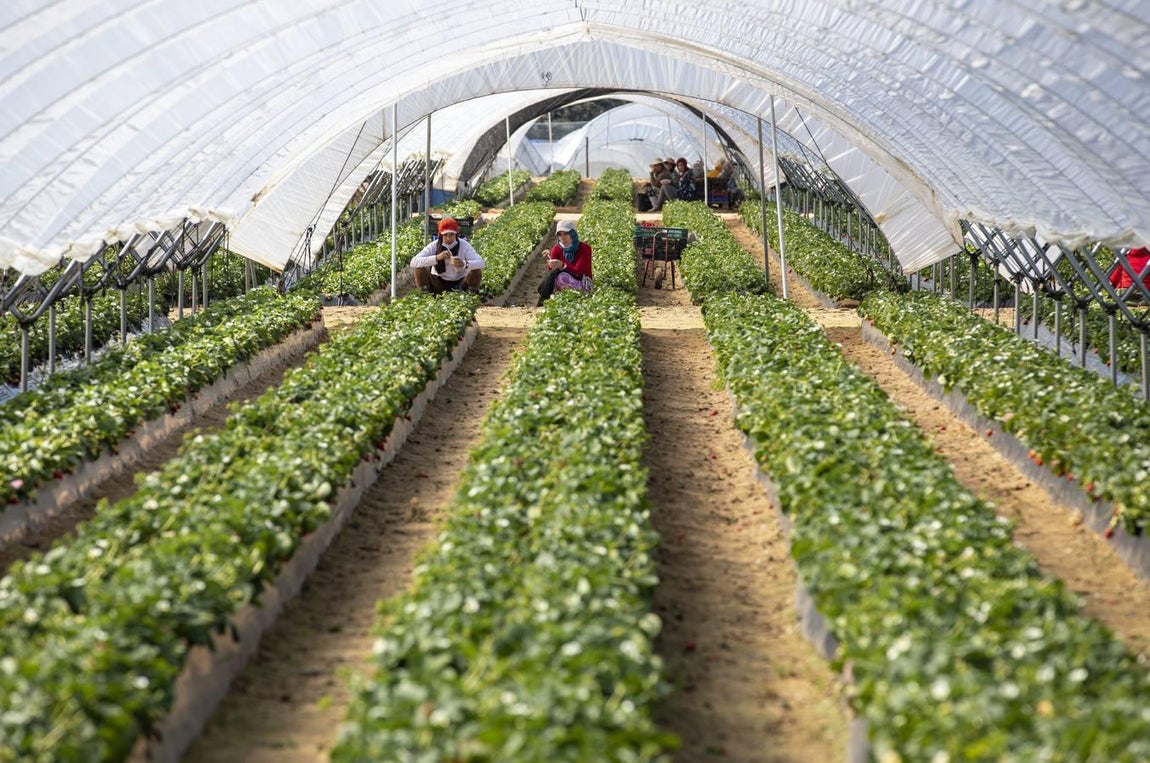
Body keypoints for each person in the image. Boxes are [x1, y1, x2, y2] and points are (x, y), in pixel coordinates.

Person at [410, 217, 485, 295]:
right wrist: (436, 258)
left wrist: (464, 264)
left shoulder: (464, 245)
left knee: (476, 271)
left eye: (451, 234)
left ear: (456, 234)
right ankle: (426, 295)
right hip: (438, 283)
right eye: (445, 235)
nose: (448, 238)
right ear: (441, 235)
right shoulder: (434, 245)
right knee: (419, 269)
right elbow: (414, 262)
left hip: (460, 283)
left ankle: (469, 295)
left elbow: (481, 262)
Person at [537, 218, 592, 305]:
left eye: (566, 234)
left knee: (562, 276)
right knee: (556, 276)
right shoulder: (556, 248)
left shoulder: (585, 248)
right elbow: (552, 271)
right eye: (560, 234)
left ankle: (546, 299)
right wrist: (550, 261)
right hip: (563, 280)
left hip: (582, 280)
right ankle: (547, 298)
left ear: (573, 234)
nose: (562, 238)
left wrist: (563, 265)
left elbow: (579, 270)